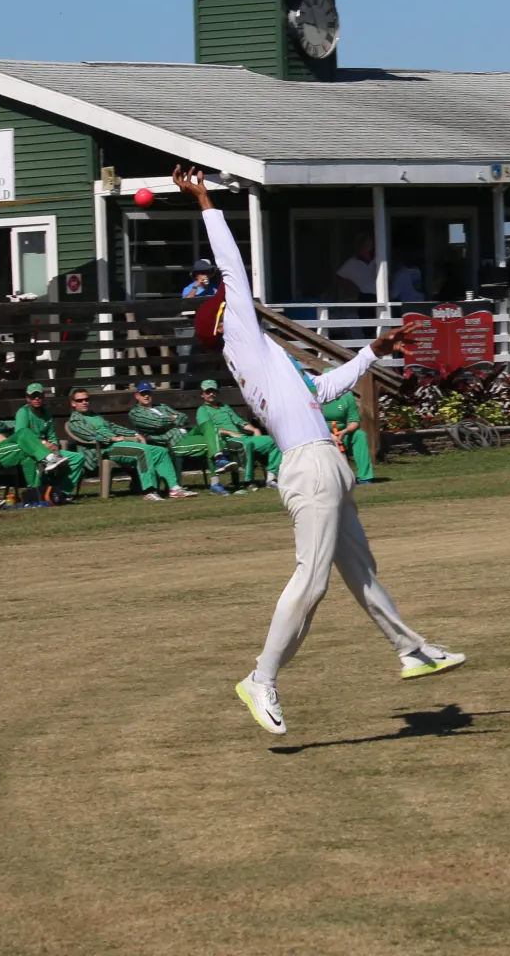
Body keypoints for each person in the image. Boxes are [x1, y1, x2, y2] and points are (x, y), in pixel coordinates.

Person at [174, 164, 463, 738]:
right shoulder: (244, 343)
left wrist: (370, 352)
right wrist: (205, 199)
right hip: (309, 468)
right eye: (232, 302)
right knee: (312, 582)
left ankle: (411, 649)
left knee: (359, 569)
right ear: (227, 322)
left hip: (319, 463)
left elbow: (321, 390)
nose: (238, 299)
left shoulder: (268, 360)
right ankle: (261, 678)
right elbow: (232, 268)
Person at [66, 389, 194, 501]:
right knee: (142, 452)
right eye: (80, 400)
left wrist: (134, 434)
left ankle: (174, 488)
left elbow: (113, 427)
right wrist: (112, 438)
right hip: (103, 451)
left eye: (86, 399)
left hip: (118, 445)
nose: (84, 402)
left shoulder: (95, 416)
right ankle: (149, 491)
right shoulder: (75, 420)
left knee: (160, 451)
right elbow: (88, 435)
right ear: (73, 403)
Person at [125, 380, 236, 494]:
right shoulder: (135, 413)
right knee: (213, 444)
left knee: (209, 427)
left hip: (186, 435)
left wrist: (172, 419)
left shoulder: (162, 407)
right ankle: (215, 481)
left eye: (149, 393)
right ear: (137, 395)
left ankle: (219, 459)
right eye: (143, 393)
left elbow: (184, 418)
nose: (146, 396)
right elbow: (156, 423)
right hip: (174, 442)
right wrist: (173, 418)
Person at [193, 378, 279, 488]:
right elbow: (208, 430)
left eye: (213, 391)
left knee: (273, 441)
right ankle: (249, 481)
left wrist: (254, 429)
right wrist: (229, 433)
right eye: (208, 392)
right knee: (246, 444)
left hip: (242, 437)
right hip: (226, 440)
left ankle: (271, 478)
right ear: (202, 394)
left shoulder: (225, 407)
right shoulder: (202, 410)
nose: (211, 394)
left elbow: (239, 422)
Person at [7, 383, 80, 500]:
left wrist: (54, 445)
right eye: (33, 396)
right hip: (30, 451)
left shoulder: (47, 414)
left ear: (43, 397)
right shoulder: (23, 413)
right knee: (38, 460)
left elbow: (52, 435)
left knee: (77, 458)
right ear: (27, 398)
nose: (36, 399)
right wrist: (43, 444)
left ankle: (62, 492)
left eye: (39, 396)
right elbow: (21, 435)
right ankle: (44, 492)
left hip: (49, 450)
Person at [333, 233, 378, 301]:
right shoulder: (352, 262)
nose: (363, 248)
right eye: (360, 245)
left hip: (379, 296)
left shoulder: (377, 260)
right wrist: (351, 286)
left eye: (367, 245)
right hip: (364, 297)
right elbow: (338, 277)